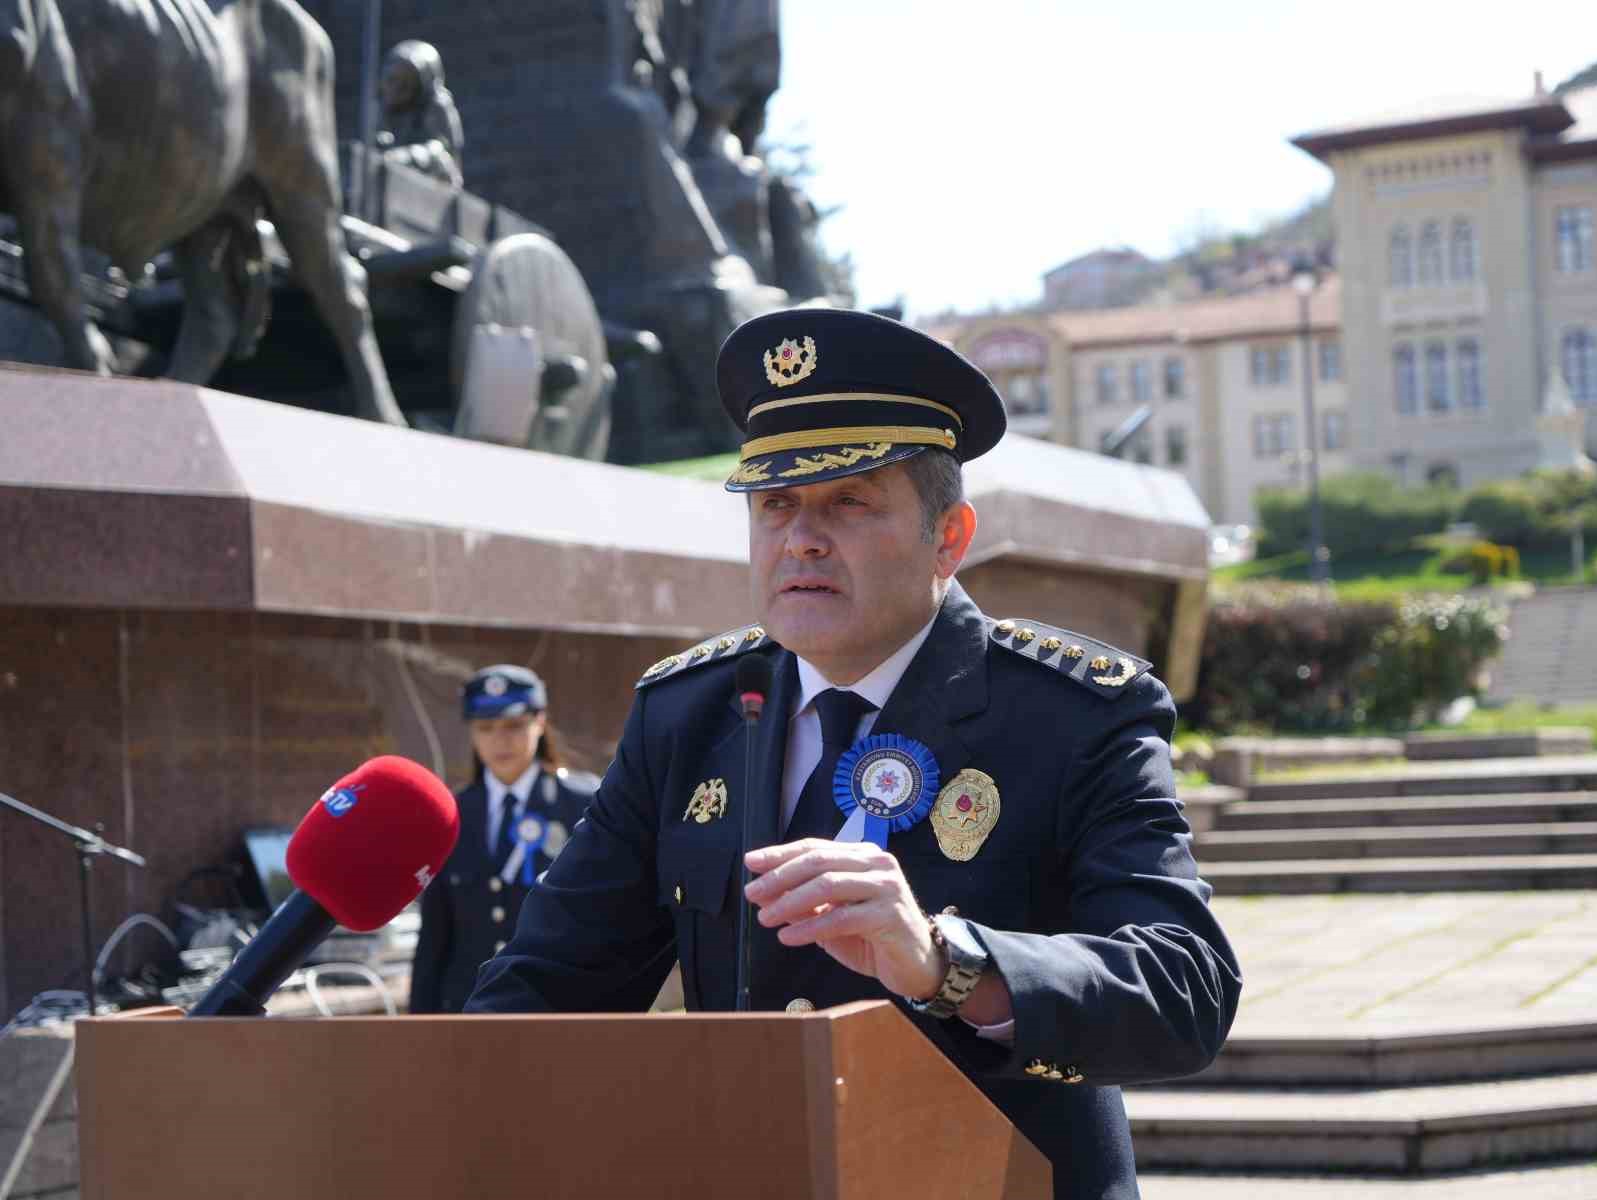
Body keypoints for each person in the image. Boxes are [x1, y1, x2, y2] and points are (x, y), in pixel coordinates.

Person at [467, 309, 1241, 1198]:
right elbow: (550, 978)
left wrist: (948, 962)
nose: (800, 537)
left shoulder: (1073, 714)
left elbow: (1184, 990)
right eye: (776, 504)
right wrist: (432, 1110)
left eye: (848, 501)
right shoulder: (686, 715)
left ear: (948, 538)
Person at [408, 665, 598, 1014]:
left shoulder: (584, 804)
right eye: (486, 728)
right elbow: (434, 938)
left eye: (514, 725)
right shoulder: (449, 814)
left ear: (540, 721)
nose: (500, 740)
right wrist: (421, 1025)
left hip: (558, 1009)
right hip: (468, 1010)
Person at [375, 40, 465, 189]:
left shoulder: (436, 106)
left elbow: (443, 151)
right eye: (392, 80)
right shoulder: (385, 109)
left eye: (404, 83)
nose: (396, 89)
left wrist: (407, 155)